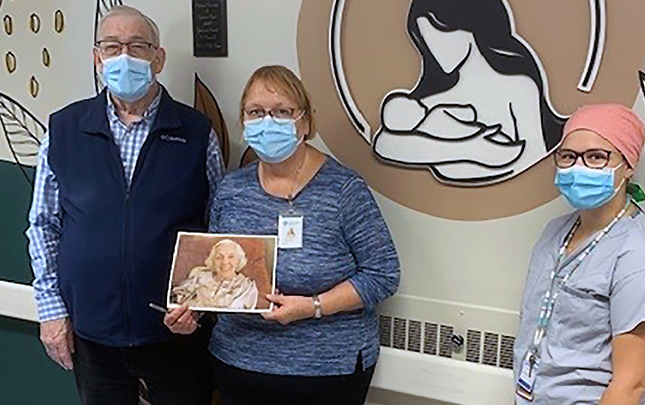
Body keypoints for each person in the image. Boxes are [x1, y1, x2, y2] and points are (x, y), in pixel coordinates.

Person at [164, 65, 401, 405]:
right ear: (244, 123)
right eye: (256, 112)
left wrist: (313, 306)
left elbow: (383, 274)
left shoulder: (343, 190)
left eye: (282, 112)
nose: (268, 122)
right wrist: (193, 314)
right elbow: (216, 273)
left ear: (305, 122)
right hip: (240, 363)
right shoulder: (231, 190)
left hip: (327, 369)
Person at [26, 5, 223, 405]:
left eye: (137, 46)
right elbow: (44, 225)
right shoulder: (63, 129)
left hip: (176, 332)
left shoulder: (196, 132)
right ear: (97, 57)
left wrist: (199, 306)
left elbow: (217, 228)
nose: (124, 57)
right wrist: (51, 312)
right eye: (112, 46)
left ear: (158, 57)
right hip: (92, 334)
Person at [513, 104, 645, 405]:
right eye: (568, 156)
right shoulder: (554, 234)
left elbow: (631, 385)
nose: (578, 167)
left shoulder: (643, 259)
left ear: (628, 165)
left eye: (596, 156)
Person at [373, 0, 566, 184]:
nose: (435, 48)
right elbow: (385, 144)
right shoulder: (433, 98)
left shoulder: (519, 88)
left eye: (440, 33)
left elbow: (534, 155)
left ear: (471, 28)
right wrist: (468, 149)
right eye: (426, 39)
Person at [171, 239, 259, 310]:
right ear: (212, 261)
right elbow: (177, 298)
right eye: (219, 257)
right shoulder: (199, 276)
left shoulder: (247, 286)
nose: (225, 262)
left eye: (231, 257)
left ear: (239, 260)